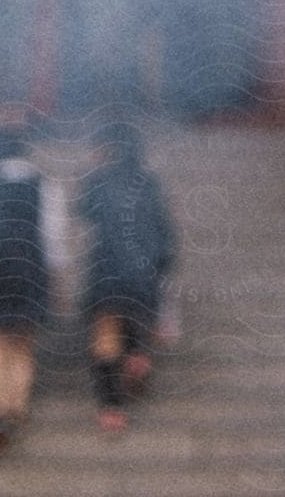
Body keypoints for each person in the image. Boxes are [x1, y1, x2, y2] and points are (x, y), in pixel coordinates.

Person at [0, 124, 69, 456]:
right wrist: (56, 283)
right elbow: (54, 238)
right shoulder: (45, 185)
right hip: (31, 267)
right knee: (23, 345)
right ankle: (15, 411)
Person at [76, 118, 177, 432]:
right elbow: (166, 235)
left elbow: (83, 210)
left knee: (105, 338)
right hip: (145, 271)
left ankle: (112, 408)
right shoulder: (149, 182)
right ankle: (137, 356)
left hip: (107, 270)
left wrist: (94, 168)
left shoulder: (99, 181)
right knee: (135, 319)